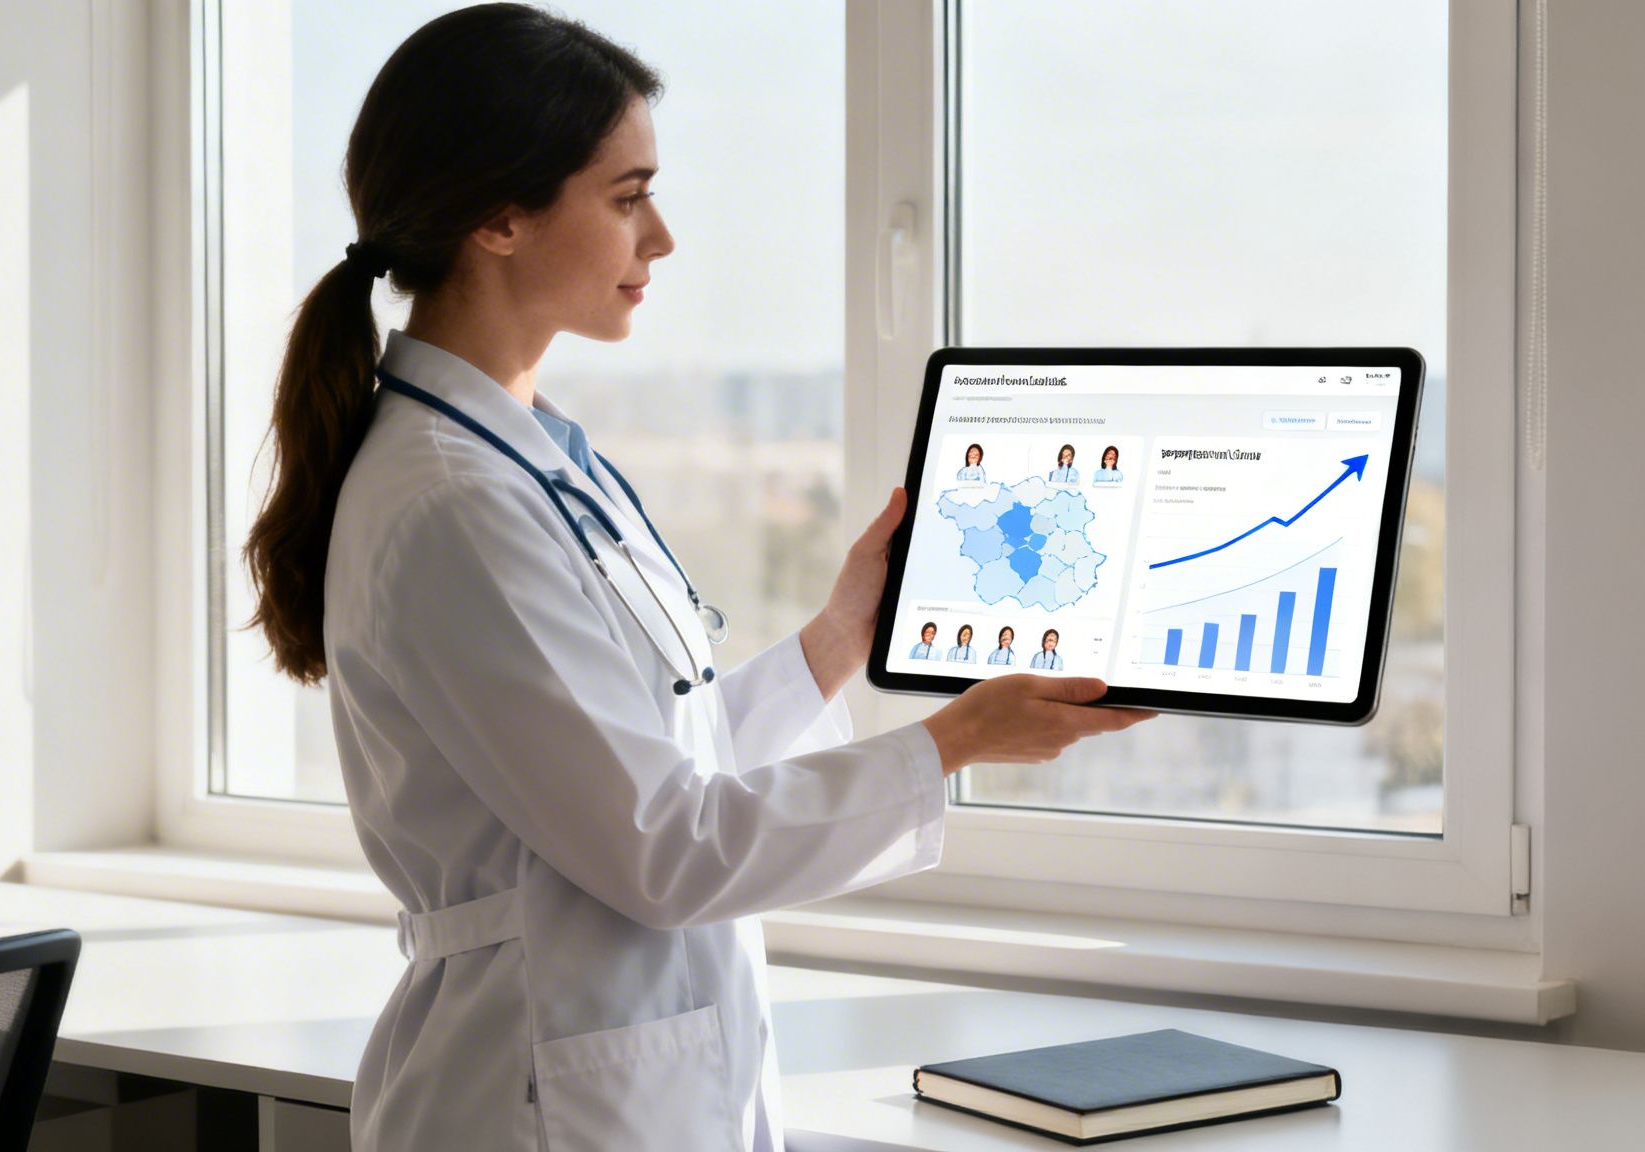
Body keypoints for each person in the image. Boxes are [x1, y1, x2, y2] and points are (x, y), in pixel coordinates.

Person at [237, 9, 1151, 1149]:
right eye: (626, 198)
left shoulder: (530, 455)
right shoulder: (452, 502)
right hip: (528, 1097)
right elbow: (664, 847)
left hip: (619, 1067)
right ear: (499, 218)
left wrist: (835, 641)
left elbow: (648, 757)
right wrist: (951, 743)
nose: (659, 238)